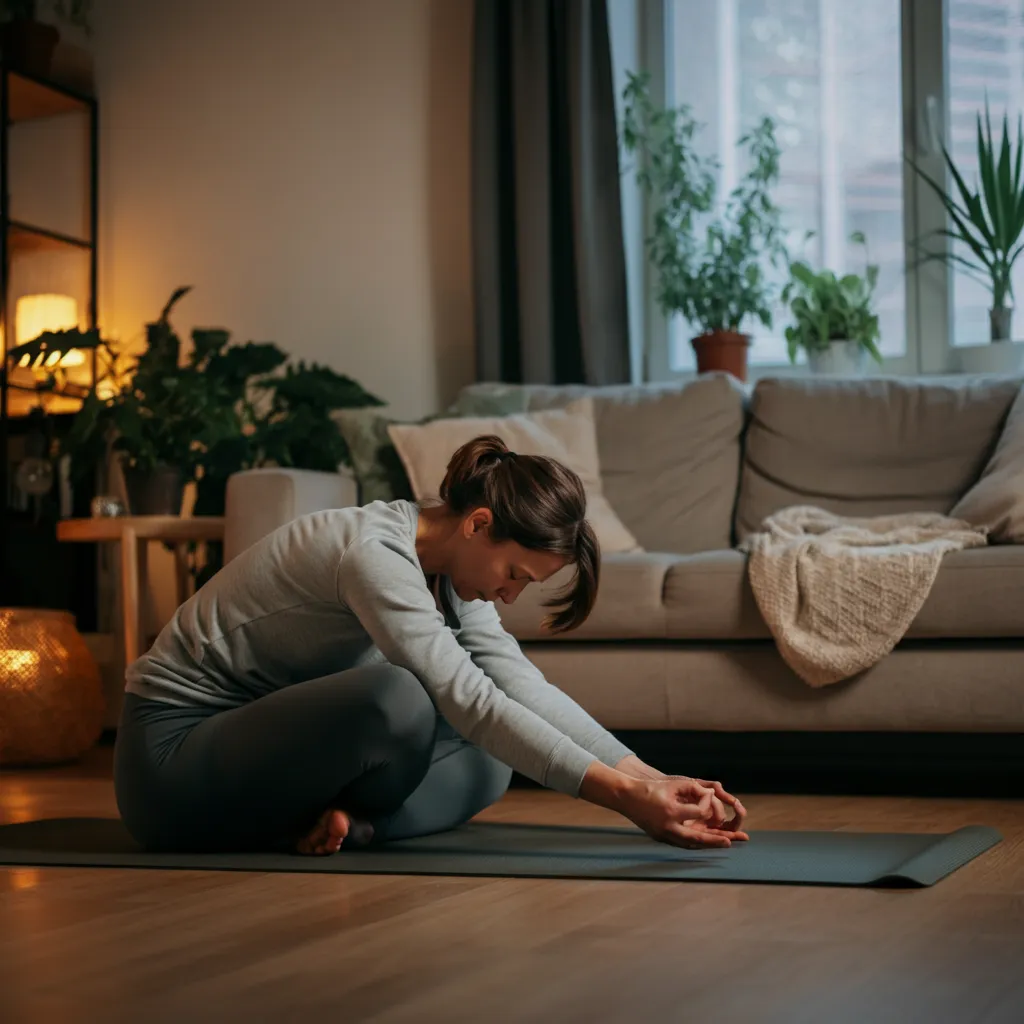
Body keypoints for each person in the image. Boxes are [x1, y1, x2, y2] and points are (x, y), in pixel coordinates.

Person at [114, 435, 750, 856]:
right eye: (514, 577)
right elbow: (467, 698)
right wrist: (627, 802)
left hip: (271, 756)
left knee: (497, 755)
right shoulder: (372, 553)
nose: (508, 598)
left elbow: (518, 687)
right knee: (401, 698)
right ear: (478, 525)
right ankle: (318, 820)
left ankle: (349, 828)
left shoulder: (448, 572)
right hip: (171, 760)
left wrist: (653, 777)